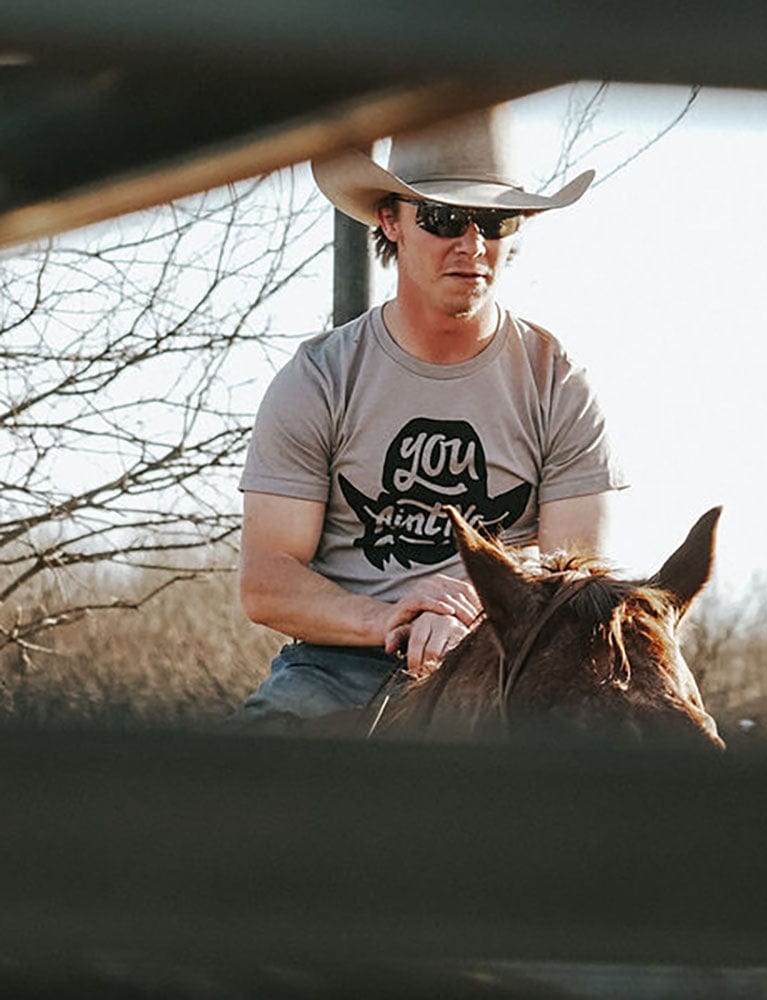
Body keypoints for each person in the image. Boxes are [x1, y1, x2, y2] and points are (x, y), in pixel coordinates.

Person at [235, 105, 627, 723]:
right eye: (445, 219)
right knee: (237, 787)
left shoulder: (558, 383)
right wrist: (390, 617)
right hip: (341, 665)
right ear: (390, 220)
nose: (471, 246)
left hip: (511, 667)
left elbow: (579, 576)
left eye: (494, 222)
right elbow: (267, 580)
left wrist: (471, 607)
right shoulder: (320, 379)